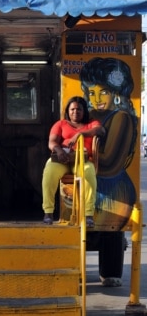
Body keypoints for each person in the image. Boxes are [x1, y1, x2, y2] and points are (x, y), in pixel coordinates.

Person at [80, 57, 138, 287]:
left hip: (112, 191)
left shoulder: (121, 118)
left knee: (109, 232)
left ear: (115, 91)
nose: (96, 99)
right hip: (92, 185)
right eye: (91, 93)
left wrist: (78, 153)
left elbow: (110, 161)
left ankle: (110, 270)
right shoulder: (93, 117)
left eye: (103, 92)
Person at [42, 96, 105, 227]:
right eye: (72, 109)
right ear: (68, 111)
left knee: (88, 172)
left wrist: (81, 135)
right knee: (49, 171)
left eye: (79, 109)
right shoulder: (61, 124)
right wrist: (59, 151)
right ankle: (48, 212)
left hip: (83, 160)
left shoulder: (91, 123)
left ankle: (88, 215)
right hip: (62, 160)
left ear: (84, 111)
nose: (75, 112)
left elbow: (101, 131)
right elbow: (52, 142)